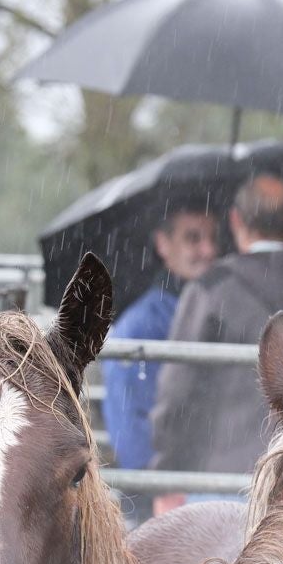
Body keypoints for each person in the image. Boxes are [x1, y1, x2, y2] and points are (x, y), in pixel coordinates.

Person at [148, 172, 283, 515]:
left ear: (236, 219)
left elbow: (178, 392)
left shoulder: (212, 289)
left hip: (222, 485)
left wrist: (166, 475)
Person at [101, 205, 219, 517]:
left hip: (199, 481)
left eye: (212, 238)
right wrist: (160, 482)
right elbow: (129, 422)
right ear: (163, 244)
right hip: (162, 498)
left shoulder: (211, 308)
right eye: (193, 238)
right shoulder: (141, 325)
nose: (208, 250)